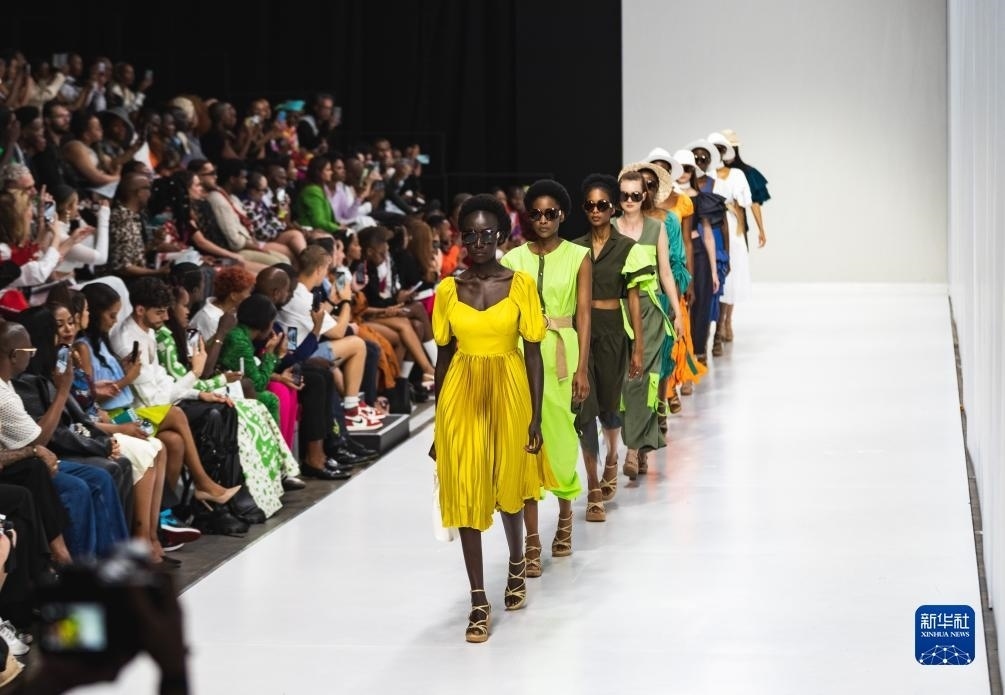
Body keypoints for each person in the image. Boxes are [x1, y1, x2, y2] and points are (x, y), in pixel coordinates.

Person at [431, 193, 552, 643]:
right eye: (470, 235)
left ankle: (517, 562)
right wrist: (437, 423)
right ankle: (478, 600)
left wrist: (535, 417)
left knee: (510, 490)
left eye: (486, 234)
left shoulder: (520, 285)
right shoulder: (447, 291)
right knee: (467, 490)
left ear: (501, 235)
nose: (478, 242)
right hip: (461, 394)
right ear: (461, 238)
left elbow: (534, 354)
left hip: (510, 389)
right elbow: (443, 359)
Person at [500, 180, 590, 575]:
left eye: (550, 213)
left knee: (562, 438)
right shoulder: (512, 259)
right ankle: (532, 541)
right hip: (520, 355)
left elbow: (584, 314)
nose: (542, 220)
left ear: (562, 215)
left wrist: (583, 369)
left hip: (562, 354)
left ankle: (566, 515)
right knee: (525, 445)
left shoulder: (578, 256)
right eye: (535, 213)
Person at [573, 174, 647, 522]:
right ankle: (592, 486)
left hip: (614, 332)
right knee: (584, 409)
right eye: (590, 205)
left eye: (602, 204)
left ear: (613, 207)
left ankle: (613, 456)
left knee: (610, 408)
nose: (596, 210)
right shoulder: (574, 249)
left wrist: (638, 347)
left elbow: (633, 299)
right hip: (581, 334)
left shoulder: (627, 248)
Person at [612, 168, 683, 478]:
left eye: (635, 195)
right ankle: (640, 446)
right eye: (624, 195)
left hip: (651, 311)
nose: (629, 200)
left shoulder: (657, 228)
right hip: (618, 312)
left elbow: (665, 272)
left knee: (645, 378)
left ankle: (632, 449)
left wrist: (678, 312)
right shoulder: (610, 228)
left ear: (644, 196)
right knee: (625, 381)